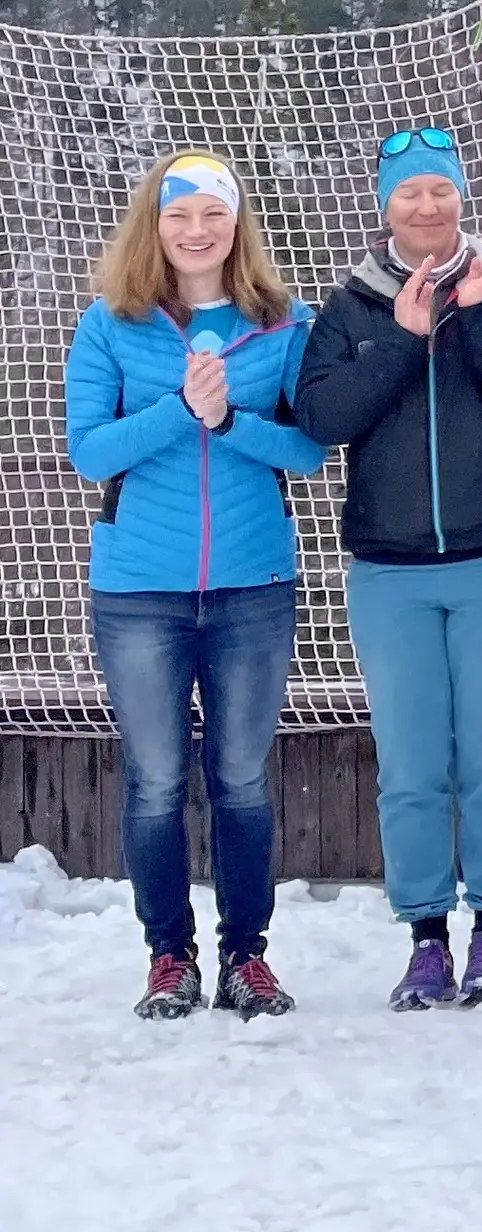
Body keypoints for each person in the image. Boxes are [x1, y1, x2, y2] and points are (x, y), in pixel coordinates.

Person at [295, 128, 482, 1010]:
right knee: (412, 765)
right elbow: (323, 415)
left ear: (461, 200)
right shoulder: (350, 306)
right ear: (385, 207)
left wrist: (477, 314)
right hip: (391, 573)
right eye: (409, 194)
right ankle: (423, 937)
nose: (426, 207)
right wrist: (404, 339)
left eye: (440, 192)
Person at [65, 150, 326, 1019]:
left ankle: (246, 959)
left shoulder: (284, 323)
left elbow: (308, 450)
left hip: (253, 586)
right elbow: (90, 453)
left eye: (213, 213)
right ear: (155, 223)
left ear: (237, 225)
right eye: (179, 215)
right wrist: (180, 410)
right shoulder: (112, 322)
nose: (196, 230)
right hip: (140, 590)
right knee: (155, 780)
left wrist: (229, 419)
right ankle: (168, 956)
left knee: (244, 780)